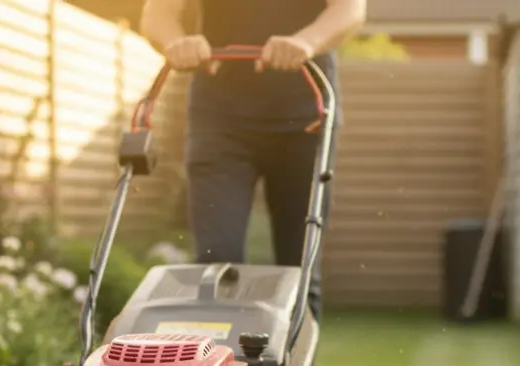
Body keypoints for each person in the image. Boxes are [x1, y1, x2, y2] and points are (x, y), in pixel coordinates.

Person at [140, 0, 366, 323]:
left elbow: (350, 10)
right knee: (215, 267)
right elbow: (159, 13)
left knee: (300, 271)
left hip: (305, 118)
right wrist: (175, 41)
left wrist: (305, 42)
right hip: (220, 120)